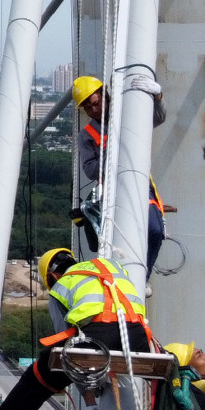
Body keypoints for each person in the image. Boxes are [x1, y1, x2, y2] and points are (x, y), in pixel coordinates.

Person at [0, 248, 157, 410]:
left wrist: (90, 404)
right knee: (166, 368)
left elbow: (72, 355)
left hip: (98, 338)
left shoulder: (61, 286)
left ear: (53, 276)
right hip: (137, 335)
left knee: (39, 375)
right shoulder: (110, 266)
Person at [71, 74, 171, 273]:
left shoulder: (126, 115)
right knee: (117, 244)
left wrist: (157, 97)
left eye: (95, 103)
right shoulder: (87, 135)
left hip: (139, 182)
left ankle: (143, 276)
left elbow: (157, 118)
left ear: (105, 94)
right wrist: (112, 154)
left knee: (155, 230)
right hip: (112, 191)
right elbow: (90, 169)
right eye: (88, 107)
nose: (93, 110)